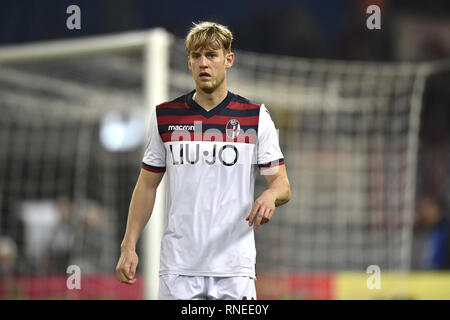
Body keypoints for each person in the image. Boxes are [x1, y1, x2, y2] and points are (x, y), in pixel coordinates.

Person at [115, 21, 291, 300]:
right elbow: (147, 186)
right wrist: (128, 245)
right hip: (179, 267)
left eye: (212, 55)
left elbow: (282, 184)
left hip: (234, 267)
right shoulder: (165, 117)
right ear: (189, 62)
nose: (204, 63)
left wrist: (270, 195)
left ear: (228, 60)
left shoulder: (255, 117)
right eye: (197, 56)